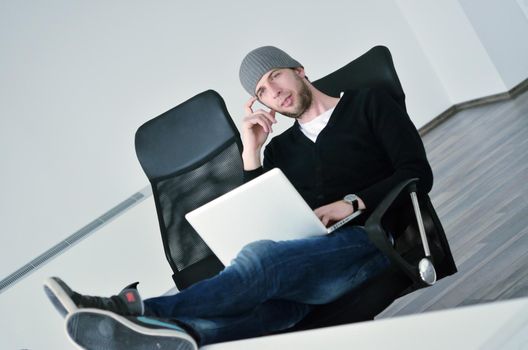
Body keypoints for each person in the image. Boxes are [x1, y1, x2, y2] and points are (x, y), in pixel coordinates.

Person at [44, 46, 433, 349]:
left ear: (299, 70)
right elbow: (265, 211)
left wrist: (351, 204)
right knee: (231, 325)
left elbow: (416, 172)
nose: (273, 92)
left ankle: (129, 311)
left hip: (371, 244)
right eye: (261, 91)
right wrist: (252, 151)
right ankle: (116, 335)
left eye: (275, 76)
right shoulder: (281, 150)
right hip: (306, 264)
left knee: (262, 259)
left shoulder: (368, 103)